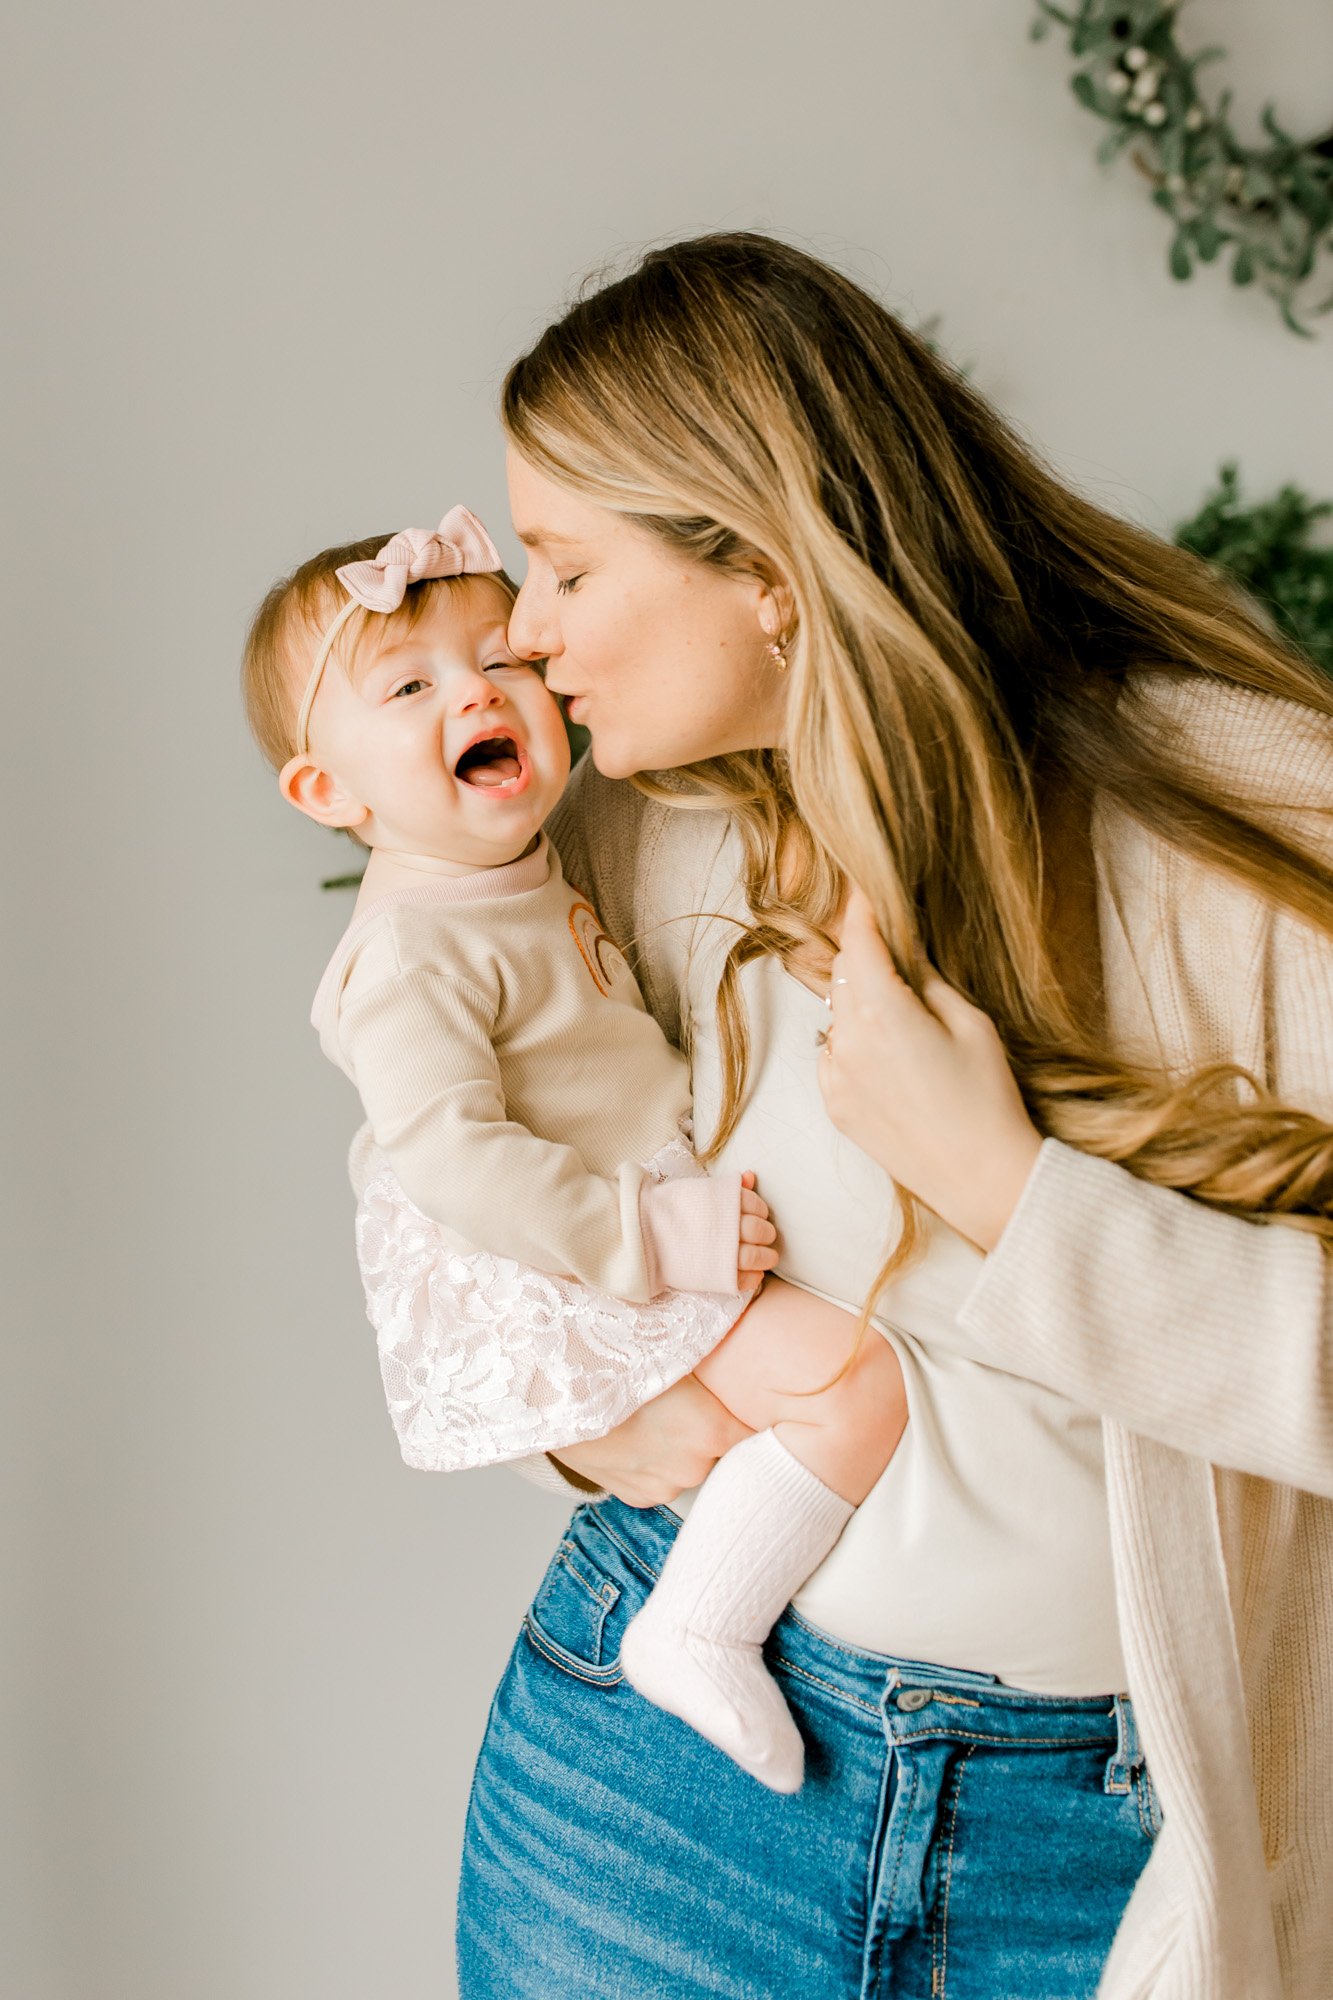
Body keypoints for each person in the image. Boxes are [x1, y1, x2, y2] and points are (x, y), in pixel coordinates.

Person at [430, 233, 1327, 1999]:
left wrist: (1011, 1193)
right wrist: (590, 1406)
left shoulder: (1244, 833)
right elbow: (461, 1168)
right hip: (647, 1807)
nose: (525, 636)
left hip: (1101, 1858)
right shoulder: (641, 838)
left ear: (762, 564)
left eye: (562, 567)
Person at [241, 506, 909, 1794]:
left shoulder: (544, 851)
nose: (481, 691)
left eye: (503, 660)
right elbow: (446, 1155)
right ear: (330, 791)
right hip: (572, 1245)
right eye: (411, 683)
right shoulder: (412, 951)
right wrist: (644, 1234)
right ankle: (697, 1628)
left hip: (605, 1217)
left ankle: (724, 1609)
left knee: (761, 1427)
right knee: (852, 1388)